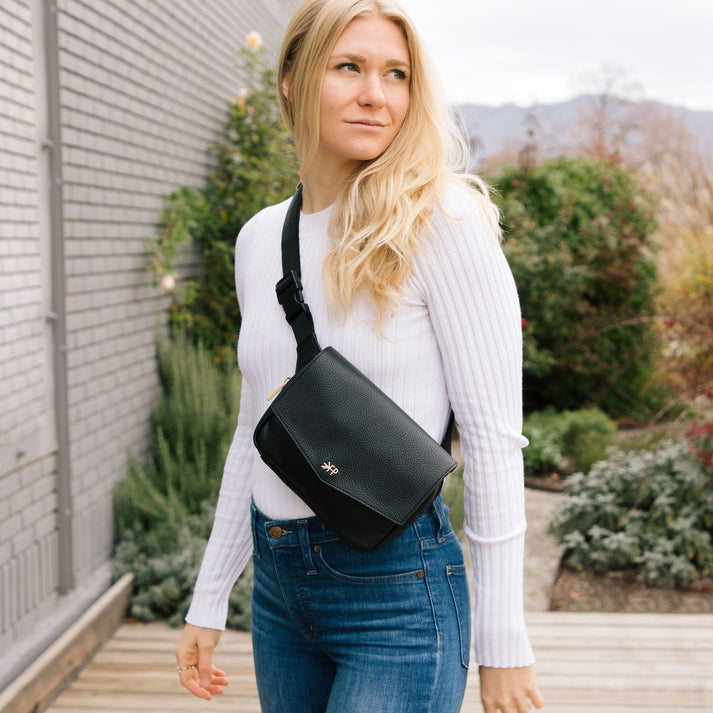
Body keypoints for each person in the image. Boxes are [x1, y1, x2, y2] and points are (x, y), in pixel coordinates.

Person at [175, 1, 544, 711]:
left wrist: (502, 643)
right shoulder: (260, 239)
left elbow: (494, 440)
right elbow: (254, 430)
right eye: (349, 67)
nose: (377, 94)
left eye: (396, 74)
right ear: (292, 79)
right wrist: (210, 596)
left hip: (398, 592)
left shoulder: (442, 223)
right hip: (279, 593)